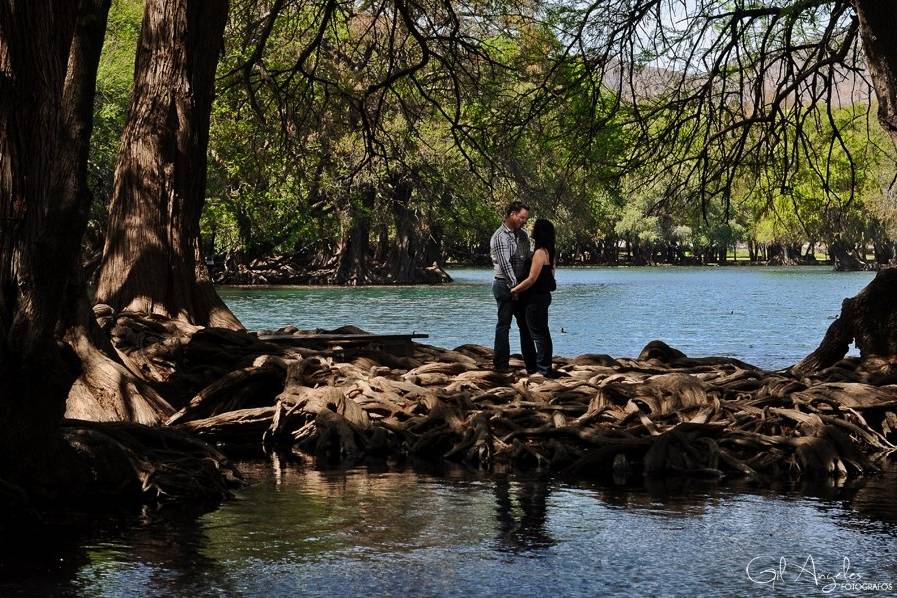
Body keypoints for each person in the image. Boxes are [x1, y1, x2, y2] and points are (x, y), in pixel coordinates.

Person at [489, 201, 537, 373]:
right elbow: (505, 265)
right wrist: (514, 289)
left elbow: (525, 261)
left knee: (526, 325)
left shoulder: (523, 236)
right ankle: (501, 365)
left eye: (526, 219)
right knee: (504, 325)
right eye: (522, 217)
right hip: (504, 285)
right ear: (512, 214)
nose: (524, 221)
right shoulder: (500, 236)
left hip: (520, 286)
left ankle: (532, 365)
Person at [511, 218, 559, 378]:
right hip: (543, 297)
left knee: (539, 334)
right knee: (533, 332)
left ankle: (543, 369)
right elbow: (551, 276)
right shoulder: (550, 252)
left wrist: (515, 290)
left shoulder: (539, 253)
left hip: (534, 299)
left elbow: (532, 279)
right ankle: (534, 367)